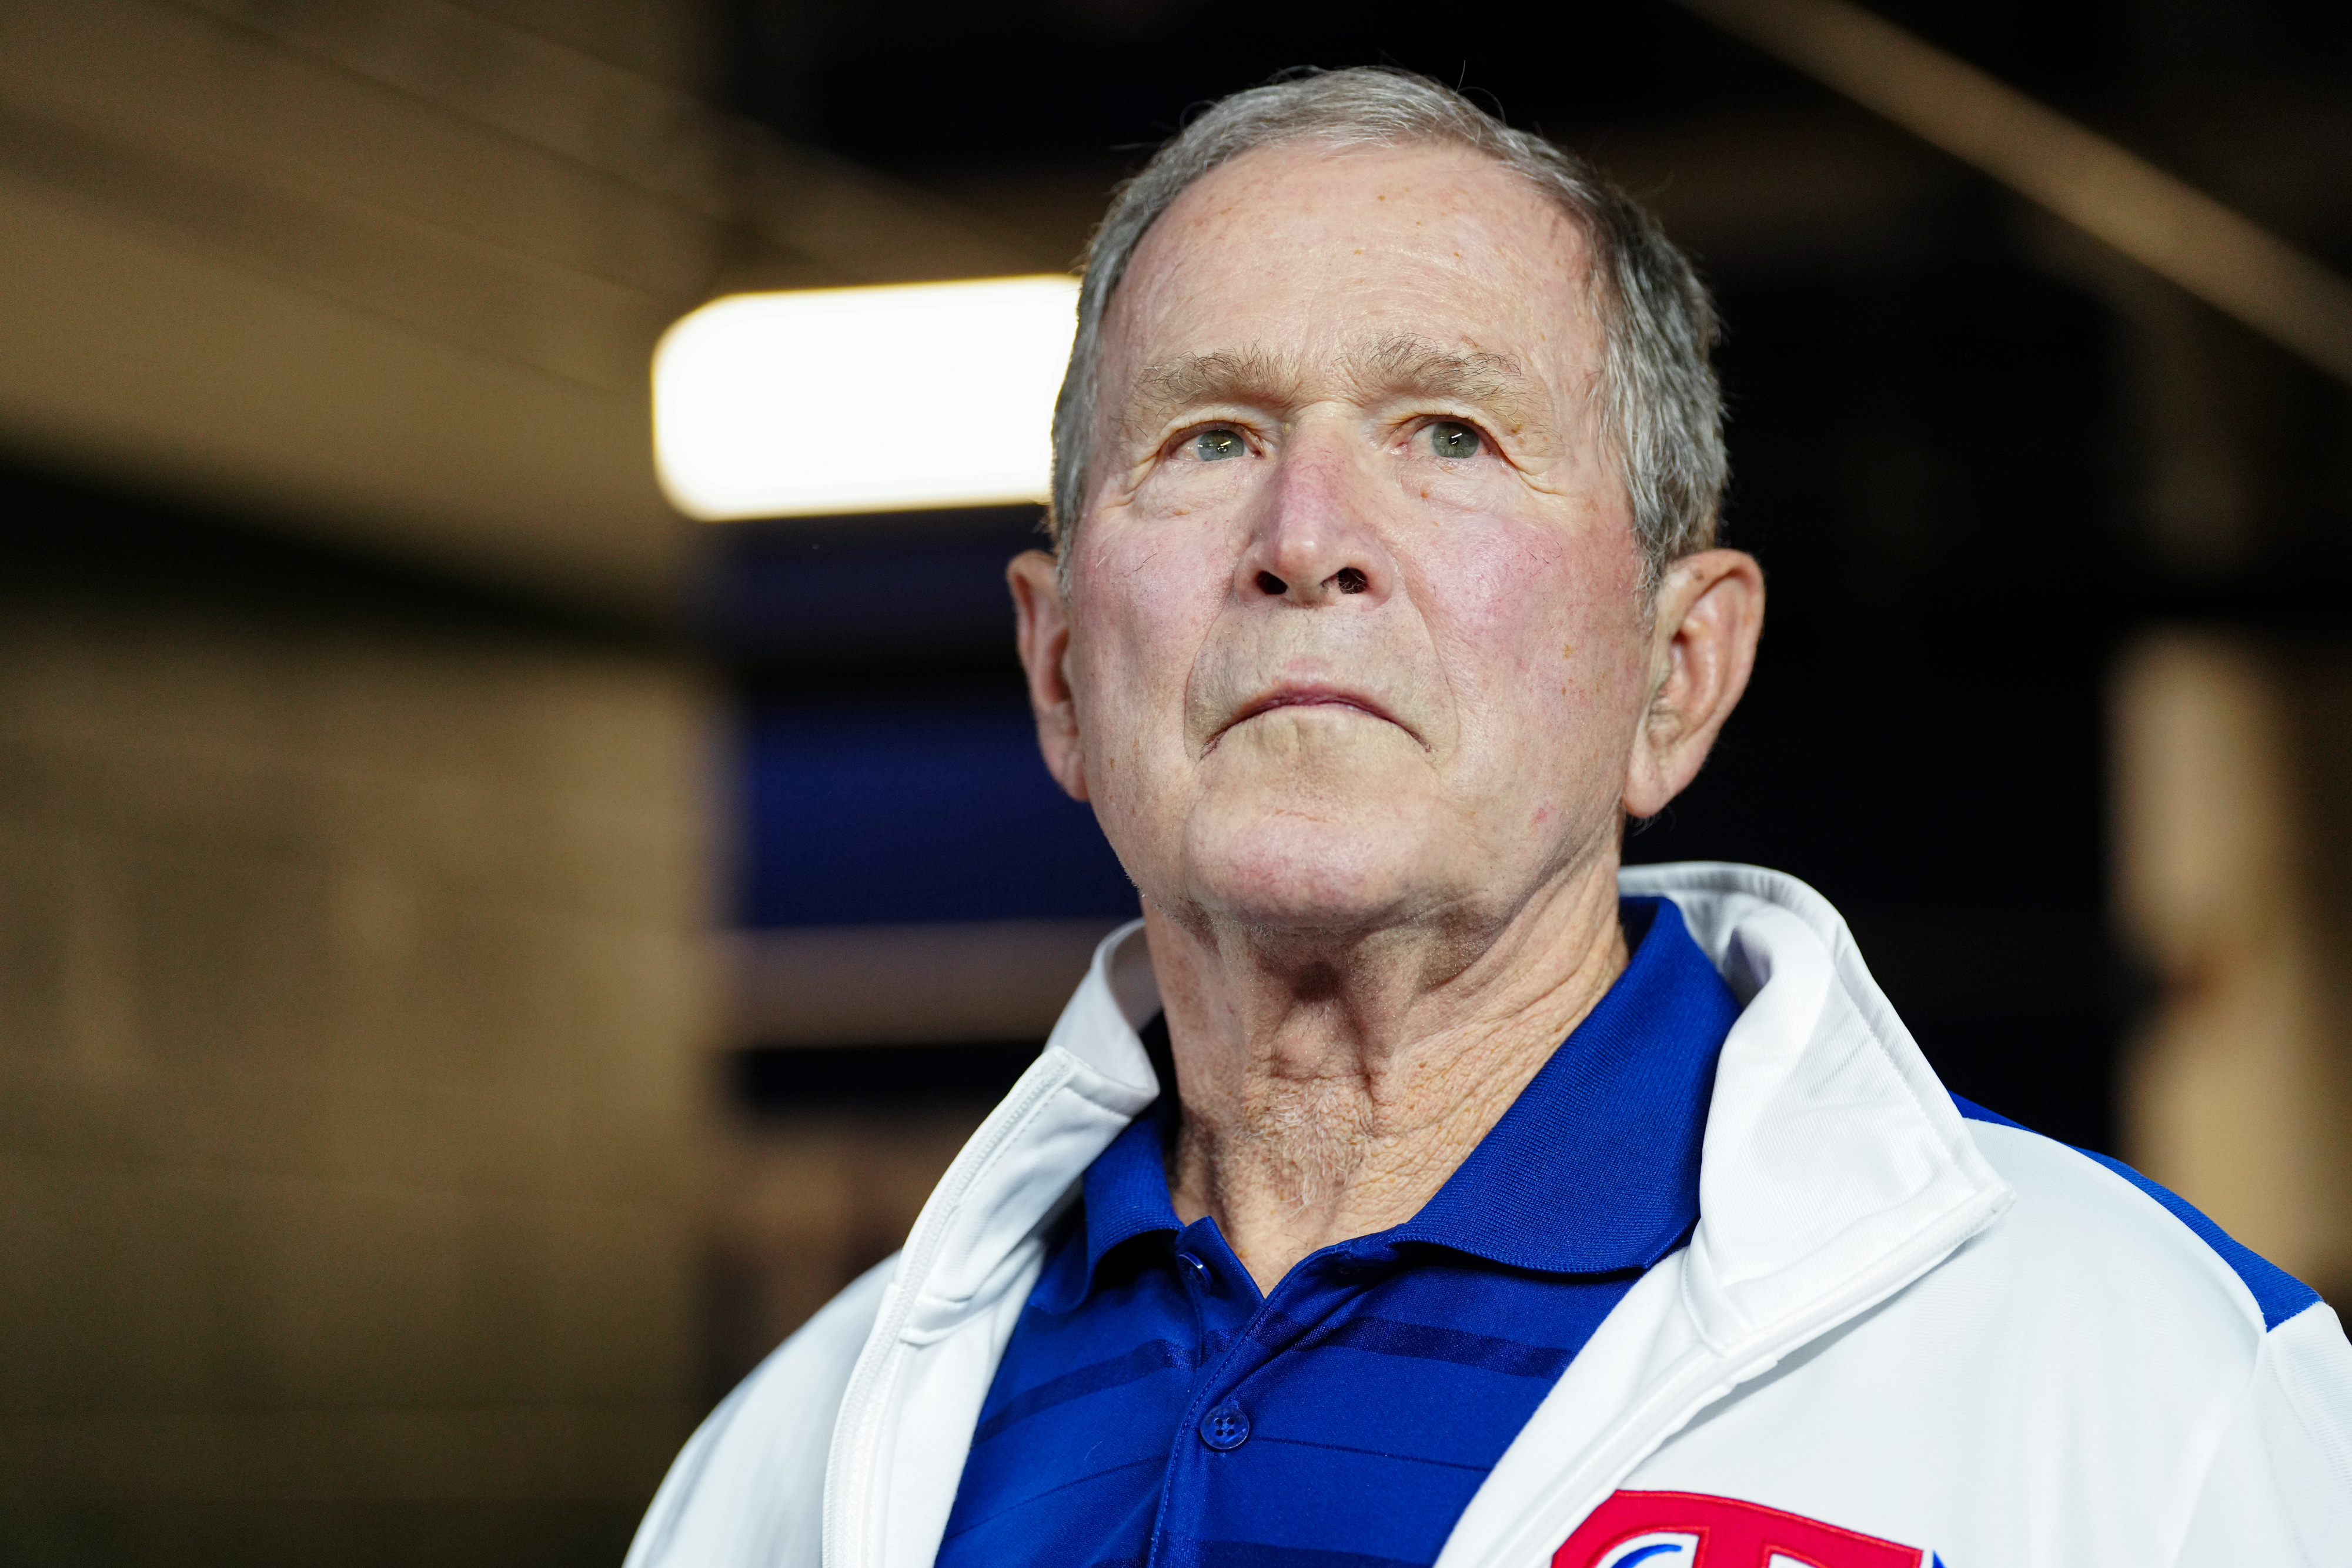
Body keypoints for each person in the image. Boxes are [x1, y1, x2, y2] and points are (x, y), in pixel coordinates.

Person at [626, 67, 2352, 1568]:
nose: (1308, 535)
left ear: (1677, 669)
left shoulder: (2149, 1381)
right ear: (1064, 670)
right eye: (1211, 438)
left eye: (1450, 432)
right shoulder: (800, 1460)